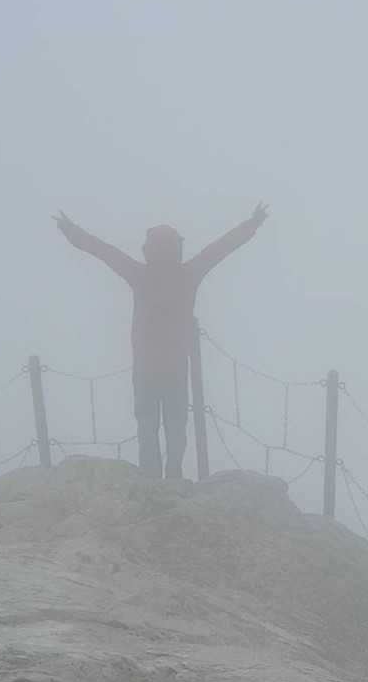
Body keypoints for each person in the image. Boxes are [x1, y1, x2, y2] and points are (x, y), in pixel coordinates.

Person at [53, 203, 268, 479]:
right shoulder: (188, 274)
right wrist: (252, 223)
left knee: (147, 425)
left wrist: (71, 230)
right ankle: (174, 477)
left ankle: (150, 480)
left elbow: (104, 251)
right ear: (177, 248)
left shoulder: (140, 274)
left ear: (148, 249)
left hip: (144, 367)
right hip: (176, 368)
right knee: (176, 426)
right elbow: (220, 248)